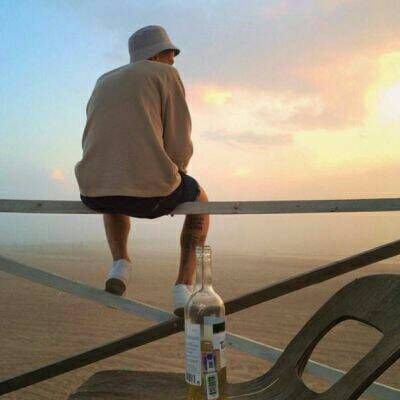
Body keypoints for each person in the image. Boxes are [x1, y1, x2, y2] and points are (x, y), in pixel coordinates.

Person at [74, 25, 209, 315]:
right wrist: (177, 172)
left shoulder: (103, 80)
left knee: (114, 181)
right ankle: (183, 287)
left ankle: (120, 264)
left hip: (94, 192)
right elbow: (179, 140)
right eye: (170, 54)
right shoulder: (166, 74)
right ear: (157, 55)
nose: (173, 61)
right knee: (201, 201)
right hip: (152, 196)